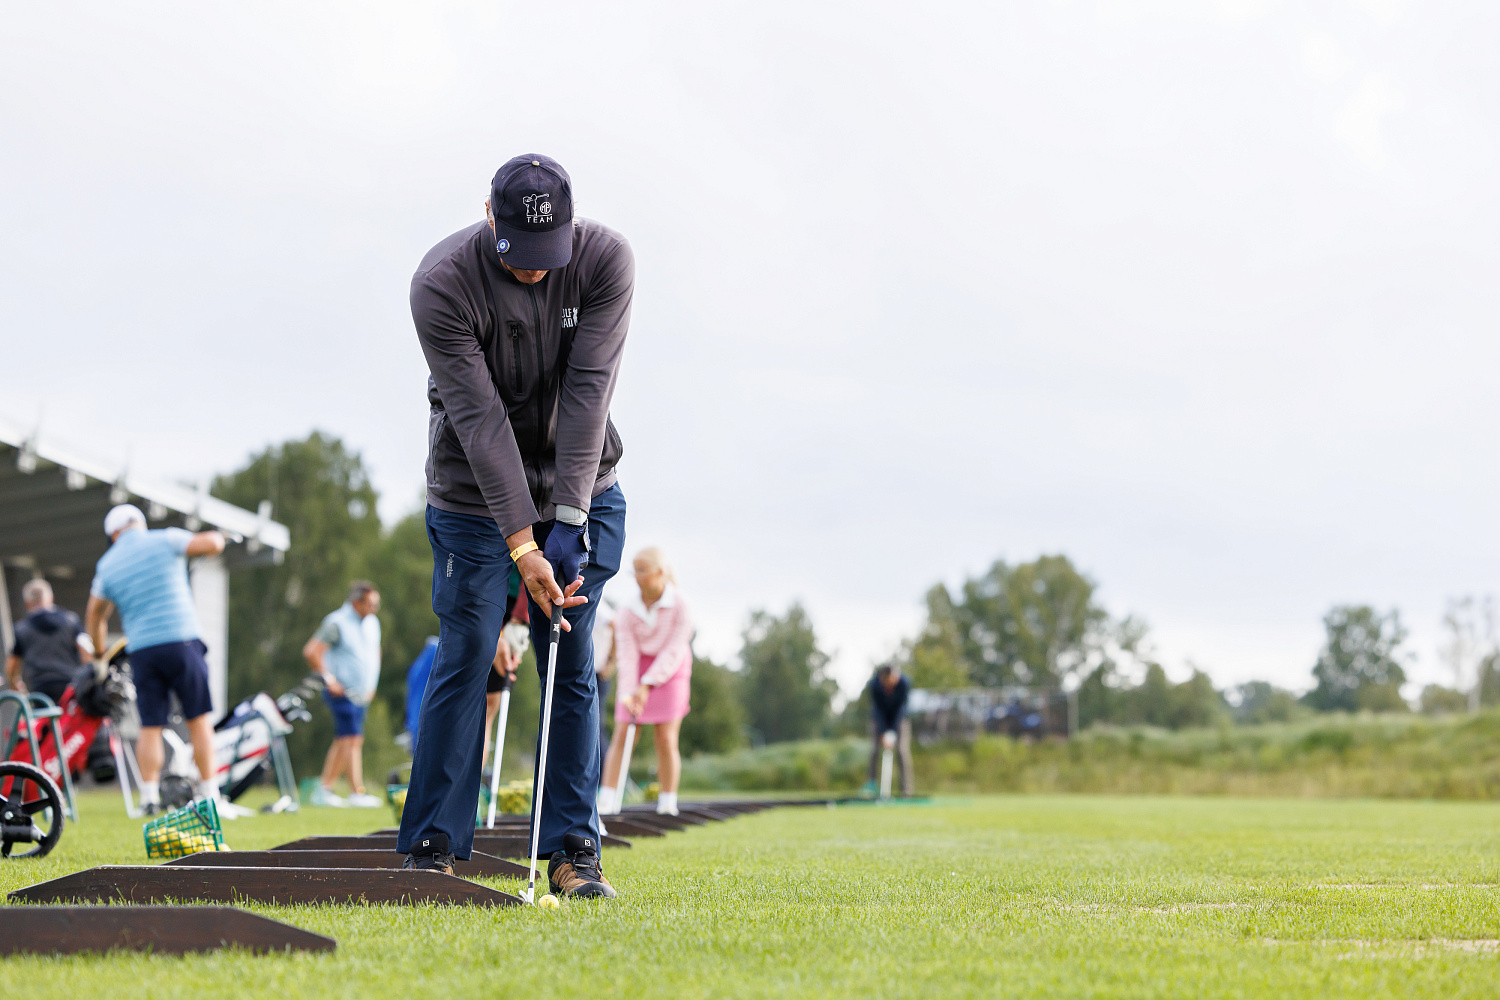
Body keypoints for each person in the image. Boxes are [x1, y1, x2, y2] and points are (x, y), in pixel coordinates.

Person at [397, 153, 632, 901]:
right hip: (471, 496)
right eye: (519, 259)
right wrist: (522, 543)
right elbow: (479, 419)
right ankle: (433, 844)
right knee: (466, 652)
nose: (534, 273)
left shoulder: (604, 261)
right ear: (489, 216)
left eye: (547, 259)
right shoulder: (442, 283)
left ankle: (573, 851)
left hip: (582, 485)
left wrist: (566, 520)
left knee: (567, 660)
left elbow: (590, 388)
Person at [85, 504, 225, 815]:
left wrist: (98, 655)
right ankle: (212, 796)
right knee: (199, 720)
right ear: (139, 524)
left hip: (143, 650)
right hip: (182, 641)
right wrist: (220, 536)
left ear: (113, 534)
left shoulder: (107, 564)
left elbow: (95, 615)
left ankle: (148, 798)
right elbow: (212, 544)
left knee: (151, 726)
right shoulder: (165, 539)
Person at [602, 547, 693, 817]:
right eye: (635, 571)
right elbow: (627, 656)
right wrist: (631, 693)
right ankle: (607, 797)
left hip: (672, 671)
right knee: (623, 734)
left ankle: (667, 801)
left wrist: (648, 684)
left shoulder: (681, 605)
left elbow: (674, 649)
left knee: (665, 737)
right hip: (636, 669)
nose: (637, 577)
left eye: (642, 570)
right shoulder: (628, 611)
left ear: (660, 573)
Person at [303, 581, 383, 808]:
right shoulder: (336, 621)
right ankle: (356, 791)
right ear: (356, 601)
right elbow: (312, 652)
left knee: (344, 740)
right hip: (342, 691)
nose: (374, 608)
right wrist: (330, 680)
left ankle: (324, 789)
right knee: (352, 739)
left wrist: (371, 684)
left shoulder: (372, 623)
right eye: (370, 603)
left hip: (362, 693)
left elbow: (375, 651)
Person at [5, 578, 93, 704]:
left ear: (27, 602)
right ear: (51, 597)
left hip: (41, 691)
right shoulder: (71, 620)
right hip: (71, 686)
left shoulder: (22, 629)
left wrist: (15, 684)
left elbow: (12, 666)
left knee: (46, 721)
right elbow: (86, 650)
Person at [866, 663, 914, 797]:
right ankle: (871, 786)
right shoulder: (875, 685)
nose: (889, 685)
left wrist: (892, 733)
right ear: (882, 679)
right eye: (886, 682)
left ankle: (906, 790)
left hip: (900, 719)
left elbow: (900, 709)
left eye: (891, 681)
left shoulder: (904, 684)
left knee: (902, 751)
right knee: (874, 750)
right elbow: (878, 710)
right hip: (879, 719)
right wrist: (882, 733)